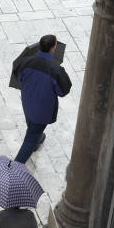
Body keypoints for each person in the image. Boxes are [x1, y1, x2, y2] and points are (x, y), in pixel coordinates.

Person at [15, 34, 72, 164]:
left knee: (33, 127)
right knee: (30, 138)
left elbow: (20, 78)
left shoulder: (25, 62)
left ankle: (38, 139)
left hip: (27, 103)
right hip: (42, 111)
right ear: (52, 48)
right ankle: (14, 167)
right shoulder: (56, 70)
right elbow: (62, 91)